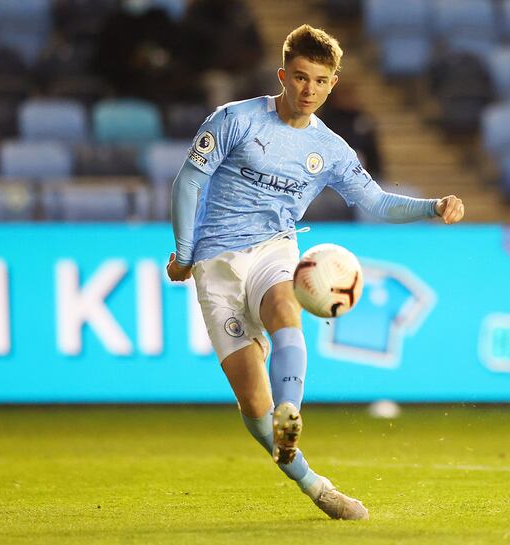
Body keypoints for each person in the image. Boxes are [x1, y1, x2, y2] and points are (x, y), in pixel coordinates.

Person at [166, 25, 464, 521]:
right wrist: (184, 252)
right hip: (217, 263)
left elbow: (376, 201)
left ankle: (291, 413)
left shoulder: (331, 150)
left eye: (320, 81)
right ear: (283, 75)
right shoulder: (235, 120)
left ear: (333, 84)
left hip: (275, 249)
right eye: (300, 78)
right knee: (251, 402)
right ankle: (315, 485)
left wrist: (434, 206)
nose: (308, 90)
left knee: (286, 305)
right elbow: (188, 181)